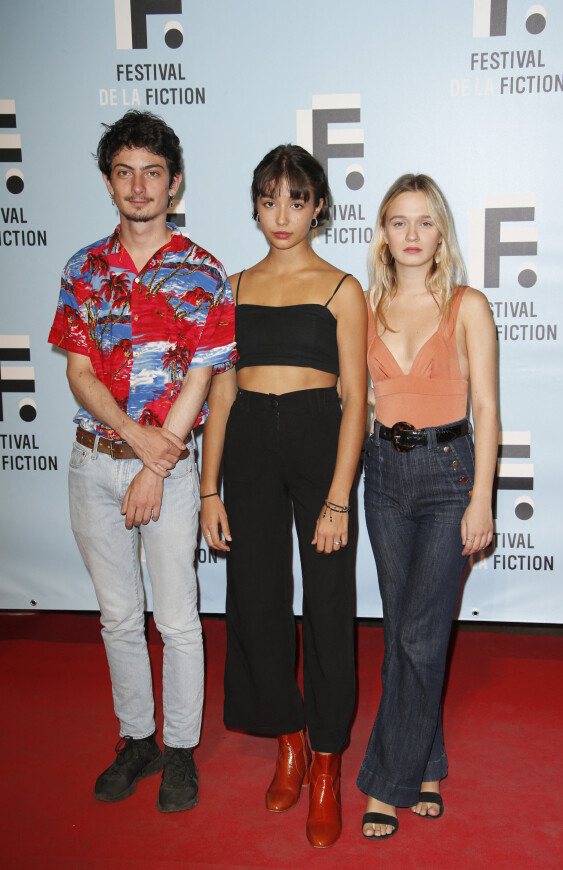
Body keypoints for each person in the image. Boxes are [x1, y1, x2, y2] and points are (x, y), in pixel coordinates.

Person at [48, 110, 236, 813]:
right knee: (118, 616)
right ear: (108, 183)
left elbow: (202, 381)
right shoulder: (83, 268)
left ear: (174, 182)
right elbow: (78, 372)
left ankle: (182, 748)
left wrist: (156, 469)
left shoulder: (205, 271)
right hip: (93, 461)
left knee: (178, 618)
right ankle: (137, 740)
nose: (138, 185)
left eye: (152, 172)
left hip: (170, 467)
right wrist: (132, 440)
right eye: (124, 172)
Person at [200, 145, 367, 848]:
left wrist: (337, 499)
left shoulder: (341, 289)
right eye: (269, 200)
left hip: (316, 437)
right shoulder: (232, 286)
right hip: (248, 446)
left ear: (319, 206)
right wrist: (209, 488)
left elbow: (357, 399)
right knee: (257, 597)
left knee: (327, 605)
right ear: (256, 204)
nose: (281, 215)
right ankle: (290, 740)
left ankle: (326, 762)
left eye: (296, 200)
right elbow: (220, 389)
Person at [357, 174, 498, 840]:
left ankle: (387, 782)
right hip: (382, 474)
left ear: (441, 234)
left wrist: (481, 499)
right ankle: (429, 763)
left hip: (448, 475)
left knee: (418, 633)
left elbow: (490, 412)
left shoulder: (466, 304)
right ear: (382, 233)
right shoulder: (364, 305)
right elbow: (351, 403)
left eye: (424, 222)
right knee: (405, 631)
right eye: (397, 222)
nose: (411, 236)